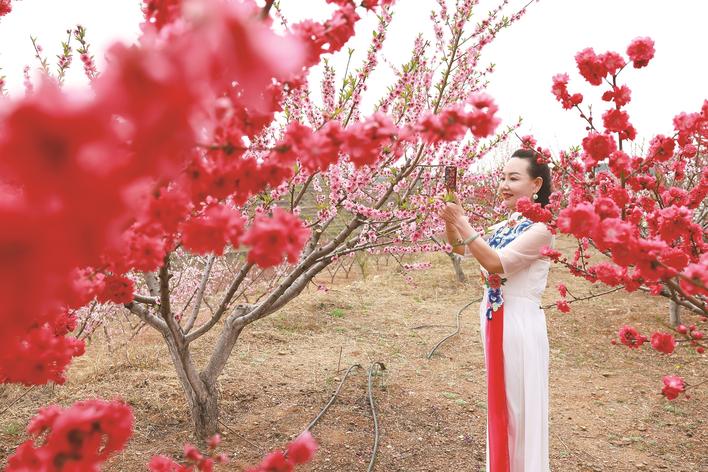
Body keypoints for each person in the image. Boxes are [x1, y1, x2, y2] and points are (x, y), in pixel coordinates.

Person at [438, 149, 554, 472]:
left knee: (518, 407)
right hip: (495, 319)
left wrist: (463, 221)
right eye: (503, 177)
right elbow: (462, 247)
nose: (504, 185)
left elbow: (495, 263)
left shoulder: (542, 229)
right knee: (501, 405)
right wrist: (451, 219)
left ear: (536, 184)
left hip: (519, 325)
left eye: (513, 178)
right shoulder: (506, 225)